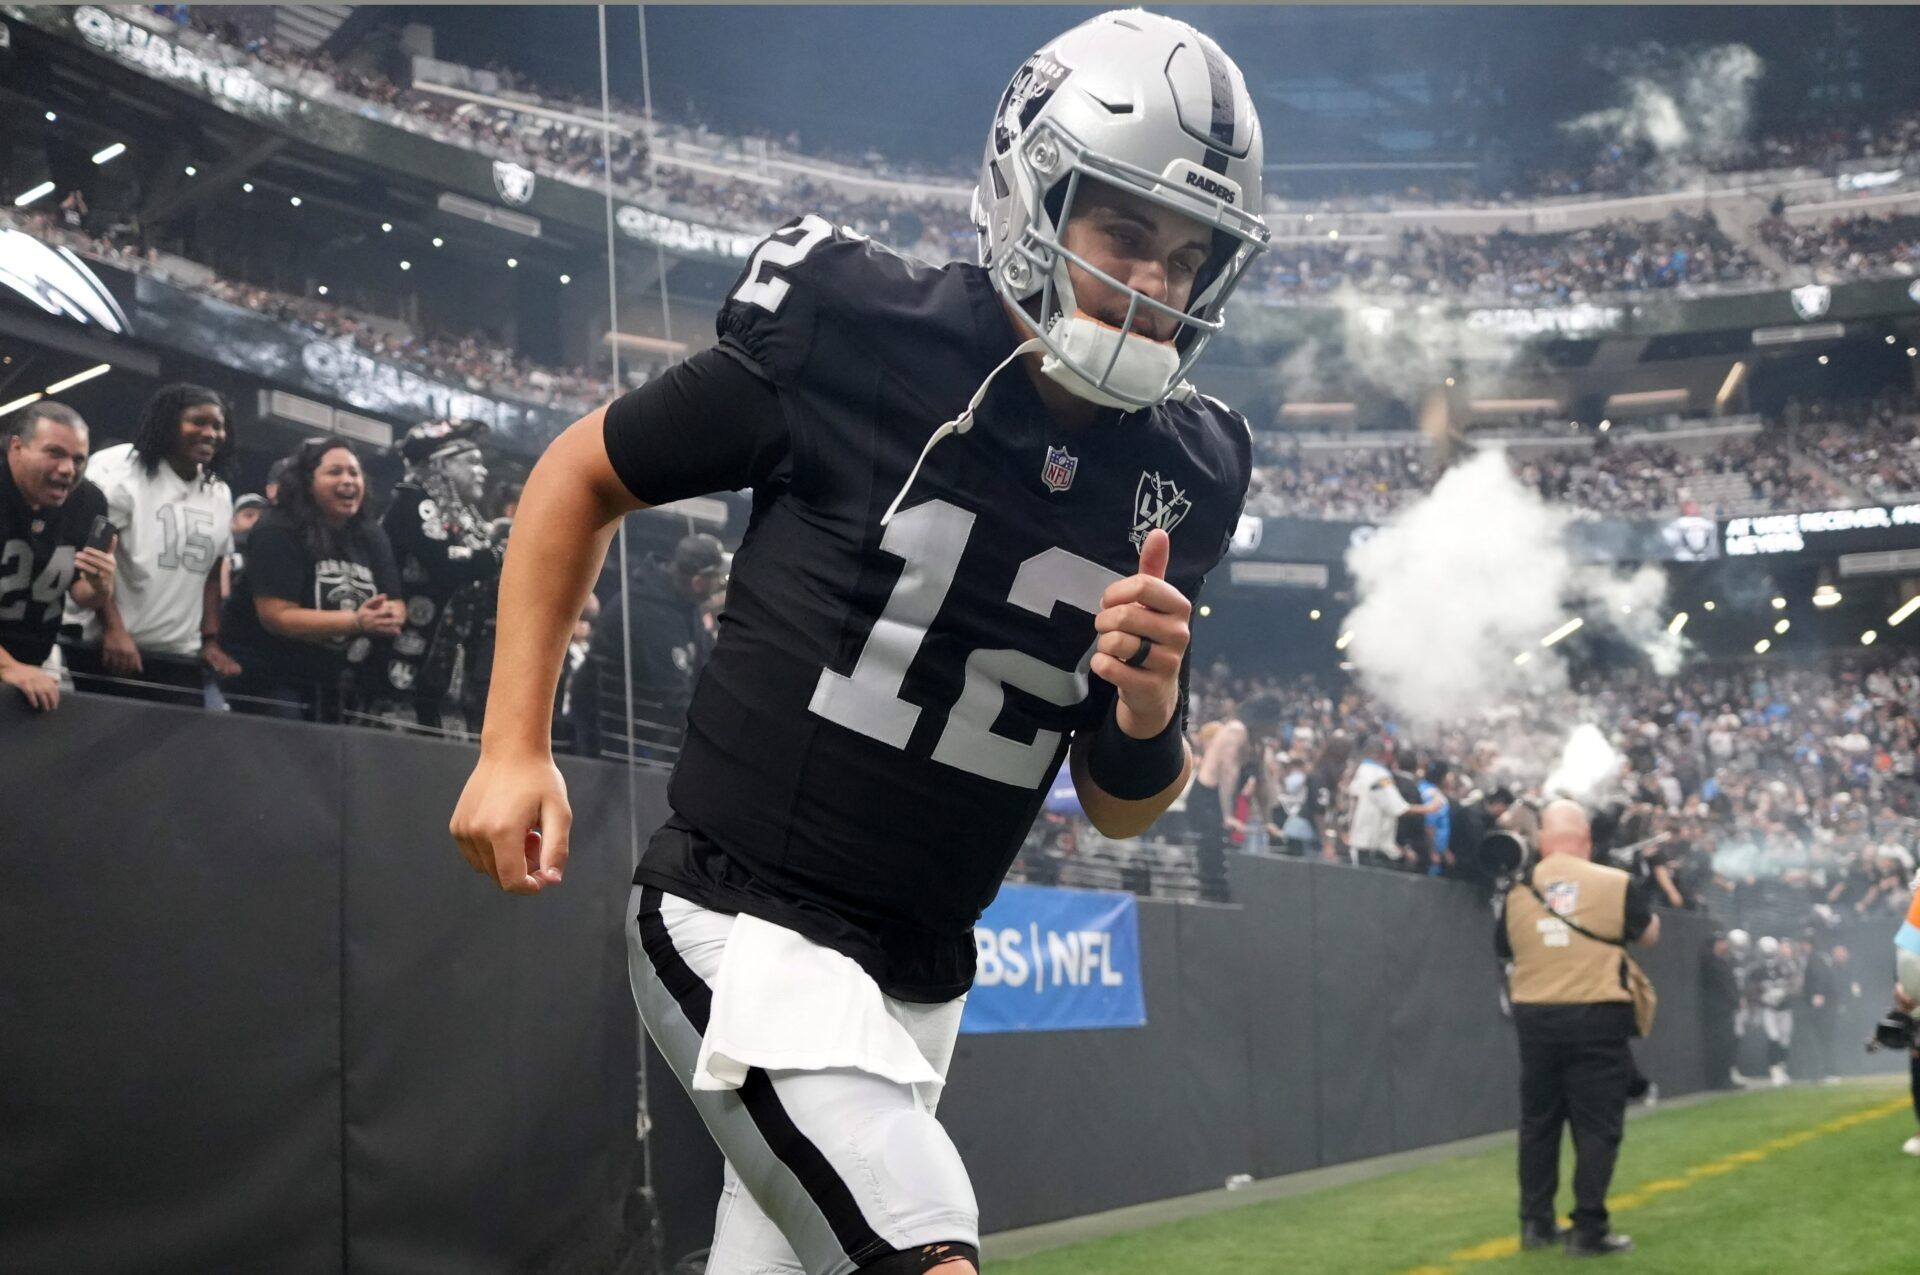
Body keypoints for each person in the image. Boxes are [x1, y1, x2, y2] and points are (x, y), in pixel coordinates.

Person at [449, 12, 1268, 1274]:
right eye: (1124, 233)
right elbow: (579, 474)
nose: (1153, 285)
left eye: (1187, 256)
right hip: (744, 915)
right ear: (1028, 190)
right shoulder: (857, 326)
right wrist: (514, 744)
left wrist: (1151, 705)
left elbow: (1115, 809)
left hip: (923, 979)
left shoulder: (1190, 467)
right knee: (923, 1252)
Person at [1497, 799, 1659, 1257]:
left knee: (1538, 1123)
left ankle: (1535, 1223)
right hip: (1597, 1012)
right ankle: (1588, 1227)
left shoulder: (1518, 890)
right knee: (1597, 1125)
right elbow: (1648, 934)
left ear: (1543, 840)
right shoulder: (1615, 882)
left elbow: (1505, 948)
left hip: (1535, 1017)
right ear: (1585, 842)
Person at [62, 384, 241, 705]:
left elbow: (213, 572)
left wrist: (209, 639)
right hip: (110, 648)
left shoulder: (219, 491)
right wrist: (114, 630)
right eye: (198, 422)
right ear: (169, 422)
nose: (210, 433)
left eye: (218, 425)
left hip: (178, 654)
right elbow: (93, 561)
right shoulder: (121, 473)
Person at [221, 438, 405, 720]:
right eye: (335, 472)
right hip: (270, 674)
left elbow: (394, 601)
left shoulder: (370, 534)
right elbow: (277, 616)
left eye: (354, 473)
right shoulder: (277, 529)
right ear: (307, 481)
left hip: (333, 676)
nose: (348, 481)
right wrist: (357, 621)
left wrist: (389, 615)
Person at [377, 418, 506, 732]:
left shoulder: (463, 515)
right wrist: (500, 554)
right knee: (400, 740)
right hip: (404, 656)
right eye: (472, 462)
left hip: (449, 661)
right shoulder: (413, 502)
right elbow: (447, 565)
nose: (483, 471)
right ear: (442, 466)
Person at [0, 401, 116, 712]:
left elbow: (81, 594)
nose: (68, 469)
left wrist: (99, 585)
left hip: (33, 664)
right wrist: (8, 667)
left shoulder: (88, 502)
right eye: (55, 453)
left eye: (79, 458)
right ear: (16, 447)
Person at [568, 532, 725, 761]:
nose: (719, 586)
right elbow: (675, 697)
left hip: (644, 729)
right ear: (698, 582)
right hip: (612, 737)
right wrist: (718, 743)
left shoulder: (684, 602)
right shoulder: (649, 612)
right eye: (717, 580)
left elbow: (710, 661)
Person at [1189, 694, 1283, 900]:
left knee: (1224, 852)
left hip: (1221, 800)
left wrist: (1268, 821)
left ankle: (1219, 894)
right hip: (1208, 798)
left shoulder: (1257, 742)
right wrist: (1228, 815)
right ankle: (1210, 897)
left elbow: (1262, 782)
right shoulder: (1236, 730)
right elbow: (1228, 772)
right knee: (1211, 850)